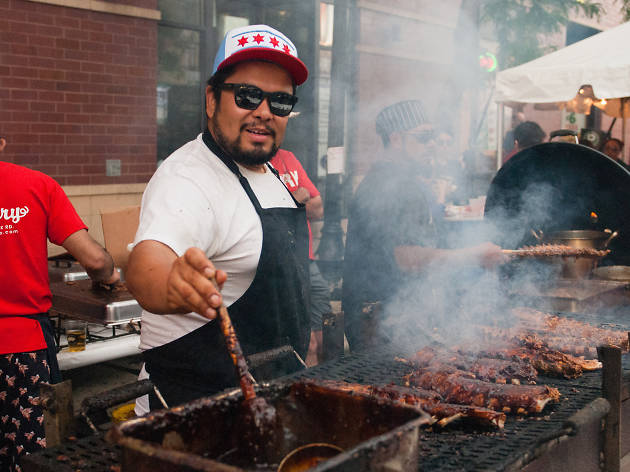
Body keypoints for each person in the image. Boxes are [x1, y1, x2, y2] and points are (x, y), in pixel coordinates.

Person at [126, 24, 311, 414]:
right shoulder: (188, 178)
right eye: (247, 96)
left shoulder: (269, 169)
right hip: (194, 417)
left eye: (280, 102)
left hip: (266, 399)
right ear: (212, 100)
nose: (263, 112)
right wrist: (170, 283)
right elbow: (150, 261)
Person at [341, 100, 507, 351]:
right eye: (423, 137)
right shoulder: (385, 185)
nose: (432, 144)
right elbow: (406, 258)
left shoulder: (405, 181)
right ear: (396, 139)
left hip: (402, 314)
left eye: (433, 136)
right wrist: (473, 256)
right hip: (380, 321)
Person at [0, 135, 120, 472]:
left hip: (24, 342)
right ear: (1, 143)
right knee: (33, 458)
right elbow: (96, 261)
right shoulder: (36, 185)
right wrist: (107, 276)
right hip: (25, 349)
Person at [270, 149, 331, 365]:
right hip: (280, 261)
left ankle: (329, 378)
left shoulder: (288, 158)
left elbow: (318, 209)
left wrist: (290, 204)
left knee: (326, 323)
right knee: (306, 341)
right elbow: (266, 216)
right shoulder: (252, 164)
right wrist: (295, 198)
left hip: (306, 257)